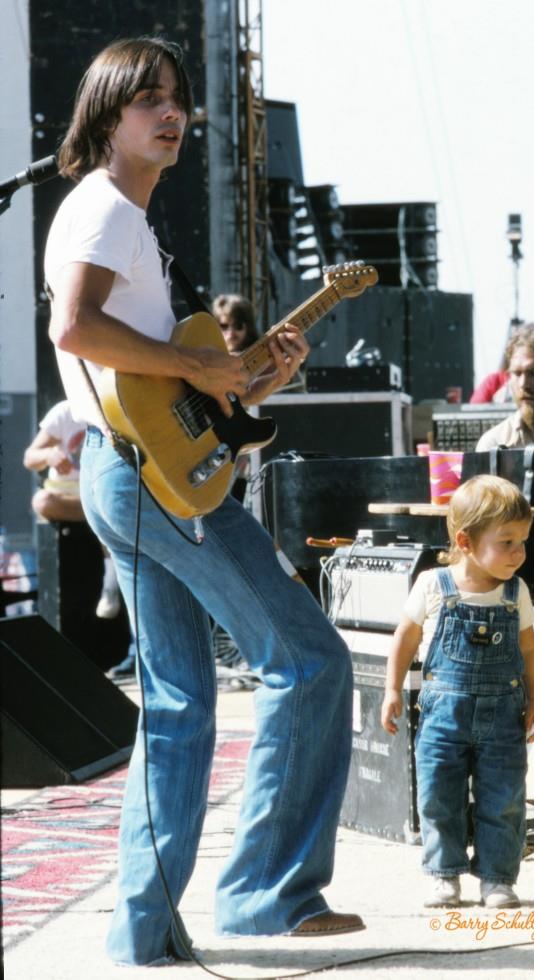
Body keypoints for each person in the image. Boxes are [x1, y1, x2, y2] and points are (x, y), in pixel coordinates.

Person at [45, 36, 363, 966]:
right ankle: (267, 896)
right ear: (107, 112)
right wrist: (201, 363)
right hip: (149, 486)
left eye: (178, 97)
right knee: (309, 662)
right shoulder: (105, 210)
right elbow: (76, 327)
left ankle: (142, 931)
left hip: (134, 472)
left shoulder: (127, 223)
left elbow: (175, 394)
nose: (172, 111)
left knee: (180, 705)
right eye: (149, 98)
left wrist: (249, 383)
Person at [381, 475, 534, 909]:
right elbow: (404, 638)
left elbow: (530, 650)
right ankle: (443, 874)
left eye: (523, 541)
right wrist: (391, 689)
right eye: (507, 541)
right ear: (465, 542)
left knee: (503, 800)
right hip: (442, 714)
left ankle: (497, 878)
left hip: (503, 716)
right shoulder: (434, 585)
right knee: (439, 796)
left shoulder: (516, 592)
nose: (519, 553)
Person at [23, 399, 122, 621]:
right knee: (42, 501)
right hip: (70, 497)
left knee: (107, 503)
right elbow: (30, 458)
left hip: (101, 492)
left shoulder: (112, 406)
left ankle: (111, 581)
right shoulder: (64, 412)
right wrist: (49, 456)